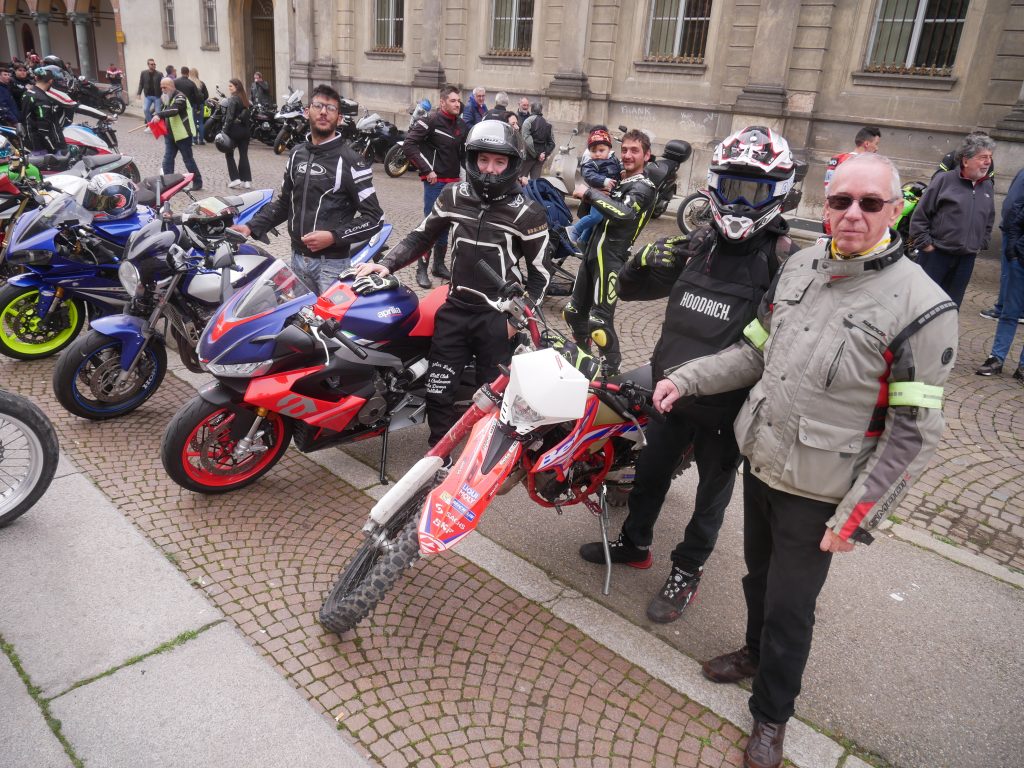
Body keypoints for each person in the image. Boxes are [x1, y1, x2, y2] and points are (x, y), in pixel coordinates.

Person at [655, 153, 957, 768]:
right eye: (841, 201)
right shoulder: (798, 266)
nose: (853, 214)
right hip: (763, 460)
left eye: (869, 203)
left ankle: (771, 715)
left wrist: (856, 518)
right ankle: (753, 653)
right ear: (826, 205)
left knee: (791, 608)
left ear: (894, 211)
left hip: (821, 490)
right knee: (757, 578)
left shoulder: (924, 308)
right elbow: (754, 351)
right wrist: (686, 378)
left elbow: (913, 433)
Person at [577, 127, 800, 627]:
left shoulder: (784, 262)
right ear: (715, 186)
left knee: (709, 499)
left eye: (755, 191)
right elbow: (629, 291)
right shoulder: (699, 243)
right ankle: (635, 544)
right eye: (733, 188)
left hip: (729, 406)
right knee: (650, 474)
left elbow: (775, 346)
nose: (740, 203)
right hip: (670, 392)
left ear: (779, 192)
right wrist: (640, 262)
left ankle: (687, 570)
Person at [354, 120, 550, 448]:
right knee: (438, 392)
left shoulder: (528, 213)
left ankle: (482, 462)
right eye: (483, 160)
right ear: (471, 159)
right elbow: (421, 236)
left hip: (496, 318)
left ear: (512, 164)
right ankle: (438, 458)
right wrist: (385, 264)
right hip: (455, 310)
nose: (489, 169)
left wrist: (516, 322)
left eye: (499, 161)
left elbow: (541, 275)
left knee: (492, 400)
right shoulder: (452, 196)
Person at [232, 83, 383, 294]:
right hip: (297, 260)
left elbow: (374, 217)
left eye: (331, 108)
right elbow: (285, 203)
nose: (323, 112)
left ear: (339, 118)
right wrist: (251, 226)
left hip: (331, 266)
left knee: (329, 316)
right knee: (300, 315)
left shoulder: (351, 161)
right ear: (306, 112)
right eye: (318, 106)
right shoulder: (296, 154)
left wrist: (333, 236)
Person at [563, 128, 658, 376]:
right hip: (591, 254)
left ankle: (611, 372)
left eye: (634, 150)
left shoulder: (644, 186)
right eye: (624, 150)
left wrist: (590, 193)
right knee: (573, 313)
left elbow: (624, 214)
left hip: (611, 259)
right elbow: (592, 214)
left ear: (647, 155)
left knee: (599, 324)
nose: (627, 155)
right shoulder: (619, 180)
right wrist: (592, 197)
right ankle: (583, 361)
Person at [910, 132, 996, 307]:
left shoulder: (987, 186)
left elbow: (989, 218)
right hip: (936, 255)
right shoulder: (944, 180)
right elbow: (920, 216)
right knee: (923, 304)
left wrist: (981, 243)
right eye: (983, 157)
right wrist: (926, 244)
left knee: (951, 306)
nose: (988, 162)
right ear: (966, 160)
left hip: (966, 260)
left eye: (990, 157)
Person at [402, 83, 468, 289]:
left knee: (446, 224)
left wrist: (469, 177)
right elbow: (409, 144)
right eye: (453, 101)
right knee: (430, 225)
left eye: (459, 101)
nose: (457, 104)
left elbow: (464, 156)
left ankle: (438, 266)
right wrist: (426, 170)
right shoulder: (430, 121)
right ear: (442, 102)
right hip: (435, 183)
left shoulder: (461, 125)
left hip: (453, 183)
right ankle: (421, 268)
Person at [976, 166, 1024, 380]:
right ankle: (996, 357)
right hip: (1021, 259)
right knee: (1009, 312)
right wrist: (1013, 250)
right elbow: (1015, 215)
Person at [22, 68, 108, 153]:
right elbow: (44, 127)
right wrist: (104, 116)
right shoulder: (45, 97)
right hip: (47, 141)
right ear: (51, 81)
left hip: (31, 138)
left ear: (36, 78)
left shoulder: (28, 93)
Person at [566, 128, 623, 249]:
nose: (597, 154)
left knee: (597, 222)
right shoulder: (591, 163)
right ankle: (574, 230)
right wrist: (604, 180)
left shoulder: (613, 159)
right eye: (593, 151)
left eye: (601, 150)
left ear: (609, 149)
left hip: (609, 197)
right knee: (595, 217)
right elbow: (589, 175)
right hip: (598, 195)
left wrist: (622, 170)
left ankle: (583, 241)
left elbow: (619, 169)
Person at [822, 125, 881, 234]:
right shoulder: (864, 163)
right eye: (876, 144)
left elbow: (828, 187)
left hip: (830, 212)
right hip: (850, 217)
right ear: (867, 144)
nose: (877, 148)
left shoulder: (837, 158)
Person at [154, 76, 203, 190]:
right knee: (168, 160)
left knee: (188, 160)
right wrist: (155, 115)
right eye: (161, 88)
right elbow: (165, 110)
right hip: (170, 135)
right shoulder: (167, 98)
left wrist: (159, 115)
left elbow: (174, 110)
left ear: (171, 86)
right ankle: (168, 184)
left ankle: (198, 182)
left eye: (165, 87)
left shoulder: (180, 97)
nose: (163, 90)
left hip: (183, 135)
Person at [219, 78, 252, 189]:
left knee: (229, 154)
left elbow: (229, 117)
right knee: (243, 155)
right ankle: (246, 181)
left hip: (234, 131)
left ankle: (235, 179)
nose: (229, 88)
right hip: (245, 131)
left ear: (237, 87)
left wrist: (224, 131)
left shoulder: (233, 99)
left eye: (231, 86)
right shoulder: (245, 99)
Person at [520, 101, 555, 181]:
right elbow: (552, 143)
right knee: (535, 182)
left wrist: (537, 155)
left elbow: (527, 141)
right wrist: (544, 154)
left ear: (531, 109)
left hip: (528, 157)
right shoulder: (547, 123)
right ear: (541, 110)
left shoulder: (528, 121)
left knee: (521, 180)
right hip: (540, 158)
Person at [188, 67, 209, 145]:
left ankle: (194, 139)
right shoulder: (201, 83)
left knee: (193, 122)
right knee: (200, 122)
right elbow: (206, 95)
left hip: (192, 105)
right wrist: (202, 101)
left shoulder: (189, 83)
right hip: (200, 105)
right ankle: (201, 140)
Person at [137, 58, 161, 123]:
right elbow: (141, 83)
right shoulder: (143, 73)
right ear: (148, 65)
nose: (153, 65)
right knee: (145, 109)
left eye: (154, 64)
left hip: (157, 96)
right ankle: (150, 124)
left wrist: (163, 94)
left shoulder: (159, 74)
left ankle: (158, 126)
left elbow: (162, 84)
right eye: (151, 64)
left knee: (158, 113)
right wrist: (139, 93)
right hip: (148, 96)